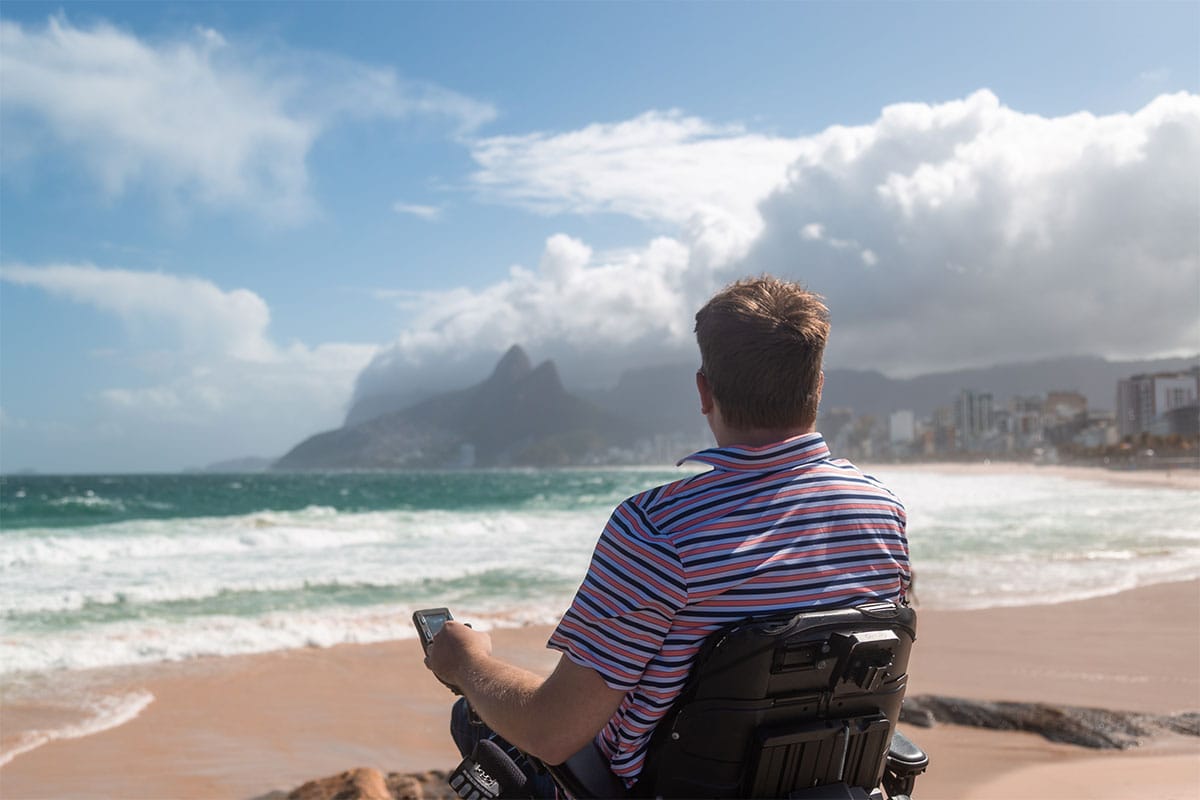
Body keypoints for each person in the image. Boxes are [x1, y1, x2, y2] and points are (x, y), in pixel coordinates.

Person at [424, 275, 911, 795]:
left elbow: (552, 730)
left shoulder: (658, 530)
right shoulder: (882, 511)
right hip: (823, 783)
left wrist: (468, 661)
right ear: (817, 385)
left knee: (474, 717)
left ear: (704, 391)